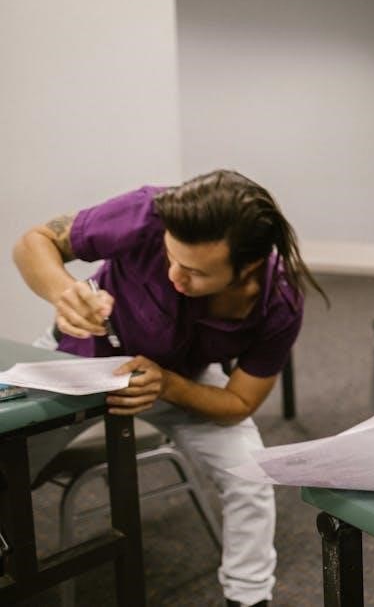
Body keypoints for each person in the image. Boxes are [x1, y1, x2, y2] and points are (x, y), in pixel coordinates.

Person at [13, 169, 325, 607]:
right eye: (170, 257)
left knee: (251, 475)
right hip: (77, 360)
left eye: (195, 272)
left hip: (177, 379)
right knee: (8, 464)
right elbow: (34, 243)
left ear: (248, 267)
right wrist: (64, 292)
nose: (175, 275)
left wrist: (169, 385)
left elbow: (239, 402)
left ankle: (249, 598)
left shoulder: (279, 303)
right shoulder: (146, 213)